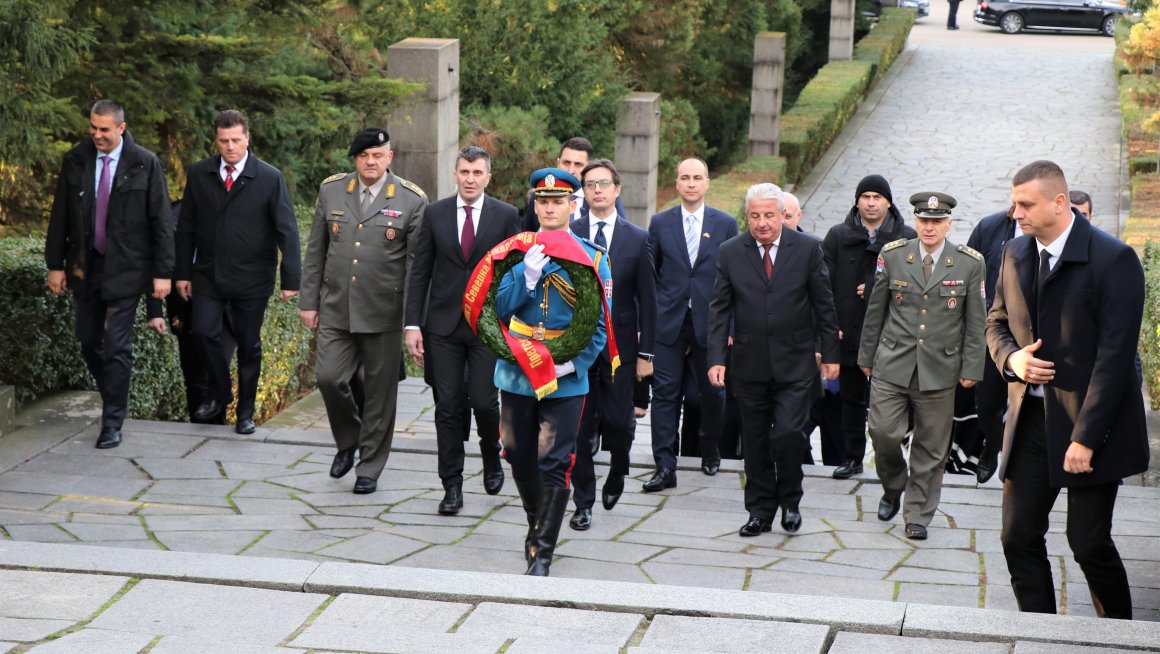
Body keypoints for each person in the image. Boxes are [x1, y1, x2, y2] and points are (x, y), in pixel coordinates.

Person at [987, 160, 1149, 619]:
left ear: (1059, 203)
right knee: (1017, 537)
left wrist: (1085, 437)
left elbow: (1116, 359)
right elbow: (996, 322)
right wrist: (1012, 360)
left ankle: (1120, 635)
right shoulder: (1013, 252)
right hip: (1031, 423)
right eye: (1014, 203)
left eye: (1025, 204)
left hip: (1093, 429)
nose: (1015, 213)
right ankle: (1040, 633)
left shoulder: (1114, 259)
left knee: (1088, 543)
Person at [488, 167, 610, 575]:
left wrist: (571, 363)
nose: (550, 208)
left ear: (573, 206)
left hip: (565, 378)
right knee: (517, 454)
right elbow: (497, 309)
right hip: (518, 371)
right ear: (535, 206)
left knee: (554, 461)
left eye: (559, 201)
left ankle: (542, 553)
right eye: (543, 202)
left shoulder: (593, 257)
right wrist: (527, 277)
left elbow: (600, 323)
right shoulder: (515, 251)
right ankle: (536, 522)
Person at [299, 127, 426, 494]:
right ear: (355, 159)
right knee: (329, 378)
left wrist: (412, 321)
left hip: (384, 312)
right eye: (364, 155)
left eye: (378, 155)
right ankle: (349, 439)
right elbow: (316, 251)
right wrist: (309, 302)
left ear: (390, 157)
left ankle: (369, 466)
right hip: (336, 307)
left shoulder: (411, 199)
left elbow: (416, 266)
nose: (371, 161)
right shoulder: (332, 190)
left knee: (379, 394)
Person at [708, 183, 839, 537]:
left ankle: (791, 501)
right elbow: (719, 309)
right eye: (755, 216)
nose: (762, 222)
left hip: (795, 364)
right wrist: (717, 358)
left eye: (769, 215)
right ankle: (760, 511)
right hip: (749, 363)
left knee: (788, 433)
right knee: (755, 441)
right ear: (747, 216)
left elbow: (824, 304)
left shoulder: (808, 248)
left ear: (783, 214)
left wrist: (830, 354)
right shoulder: (731, 252)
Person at [45, 99, 174, 450]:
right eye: (93, 127)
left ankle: (112, 422)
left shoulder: (144, 163)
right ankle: (114, 394)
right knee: (88, 340)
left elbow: (162, 222)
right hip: (85, 267)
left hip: (128, 269)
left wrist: (162, 273)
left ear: (121, 127)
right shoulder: (76, 159)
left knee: (117, 344)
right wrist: (55, 264)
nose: (97, 134)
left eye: (104, 129)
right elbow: (60, 214)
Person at [858, 192, 987, 541]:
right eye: (924, 221)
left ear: (948, 224)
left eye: (937, 221)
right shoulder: (894, 255)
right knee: (882, 433)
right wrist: (866, 357)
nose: (929, 227)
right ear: (915, 221)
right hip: (892, 362)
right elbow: (876, 310)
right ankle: (893, 485)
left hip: (940, 367)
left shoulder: (969, 263)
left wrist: (972, 366)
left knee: (931, 447)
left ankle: (917, 514)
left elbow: (976, 320)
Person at [404, 146, 520, 514]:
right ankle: (451, 486)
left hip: (487, 326)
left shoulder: (506, 215)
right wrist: (412, 324)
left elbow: (515, 272)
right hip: (442, 326)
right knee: (448, 407)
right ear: (455, 174)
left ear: (488, 177)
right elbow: (420, 271)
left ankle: (490, 452)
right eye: (465, 172)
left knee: (484, 402)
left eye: (477, 173)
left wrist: (513, 324)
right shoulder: (435, 213)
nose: (470, 179)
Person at [175, 109, 301, 435]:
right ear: (216, 141)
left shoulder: (269, 177)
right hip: (207, 274)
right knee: (203, 333)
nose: (230, 146)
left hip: (252, 278)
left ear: (247, 139)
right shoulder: (200, 173)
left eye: (235, 140)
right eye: (223, 141)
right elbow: (186, 227)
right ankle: (221, 391)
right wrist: (183, 273)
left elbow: (287, 230)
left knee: (248, 345)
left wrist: (291, 279)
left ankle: (245, 413)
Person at [568, 159, 656, 531]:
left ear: (617, 190)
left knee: (620, 423)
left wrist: (647, 354)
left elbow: (649, 301)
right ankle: (583, 503)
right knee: (579, 428)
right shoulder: (570, 232)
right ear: (584, 192)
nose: (598, 190)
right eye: (590, 184)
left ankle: (619, 468)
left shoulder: (637, 237)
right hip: (579, 348)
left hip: (621, 349)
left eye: (604, 184)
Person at [645, 157, 738, 490]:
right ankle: (664, 465)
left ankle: (709, 449)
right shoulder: (660, 222)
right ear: (677, 183)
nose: (691, 183)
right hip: (668, 321)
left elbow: (734, 279)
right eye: (685, 177)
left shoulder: (725, 223)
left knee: (712, 392)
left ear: (707, 183)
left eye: (697, 177)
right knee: (664, 394)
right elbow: (651, 274)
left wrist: (730, 328)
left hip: (710, 322)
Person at [822, 174, 916, 479]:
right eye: (866, 197)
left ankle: (893, 462)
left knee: (892, 403)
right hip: (848, 331)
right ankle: (852, 458)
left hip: (891, 336)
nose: (871, 203)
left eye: (878, 197)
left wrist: (877, 288)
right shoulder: (838, 235)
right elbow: (822, 285)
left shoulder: (906, 237)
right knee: (850, 401)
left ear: (888, 202)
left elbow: (918, 285)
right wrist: (828, 326)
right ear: (857, 202)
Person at [784, 192, 843, 466]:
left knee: (825, 420)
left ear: (799, 216)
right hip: (778, 356)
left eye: (788, 216)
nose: (782, 221)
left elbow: (826, 304)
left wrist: (822, 347)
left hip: (812, 355)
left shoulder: (814, 248)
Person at [966, 204, 1018, 483]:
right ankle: (992, 445)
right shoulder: (989, 227)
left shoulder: (1050, 231)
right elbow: (965, 271)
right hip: (994, 328)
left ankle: (1020, 459)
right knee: (986, 403)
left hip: (1034, 332)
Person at [522, 137, 625, 231]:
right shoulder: (539, 196)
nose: (571, 170)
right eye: (566, 163)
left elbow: (621, 233)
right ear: (558, 163)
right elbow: (528, 235)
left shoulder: (602, 197)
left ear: (588, 167)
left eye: (578, 164)